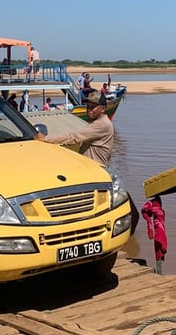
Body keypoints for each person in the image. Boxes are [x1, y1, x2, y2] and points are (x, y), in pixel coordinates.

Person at [36, 93, 139, 232]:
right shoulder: (98, 123)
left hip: (96, 174)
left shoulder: (102, 125)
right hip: (92, 172)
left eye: (93, 107)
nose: (89, 109)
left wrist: (45, 139)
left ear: (102, 108)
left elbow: (74, 137)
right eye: (88, 106)